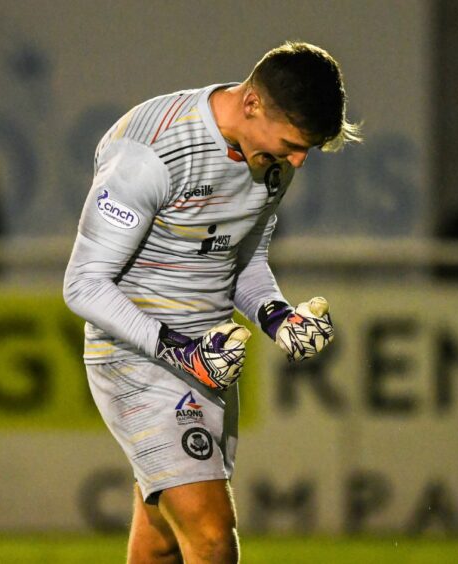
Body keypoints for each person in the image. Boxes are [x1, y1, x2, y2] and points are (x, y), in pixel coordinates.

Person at [63, 41, 360, 563]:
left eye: (306, 148)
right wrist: (178, 350)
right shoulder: (149, 151)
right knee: (212, 536)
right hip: (138, 358)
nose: (297, 161)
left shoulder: (270, 153)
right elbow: (84, 283)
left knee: (159, 544)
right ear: (251, 105)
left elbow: (242, 261)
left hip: (209, 360)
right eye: (292, 144)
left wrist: (276, 315)